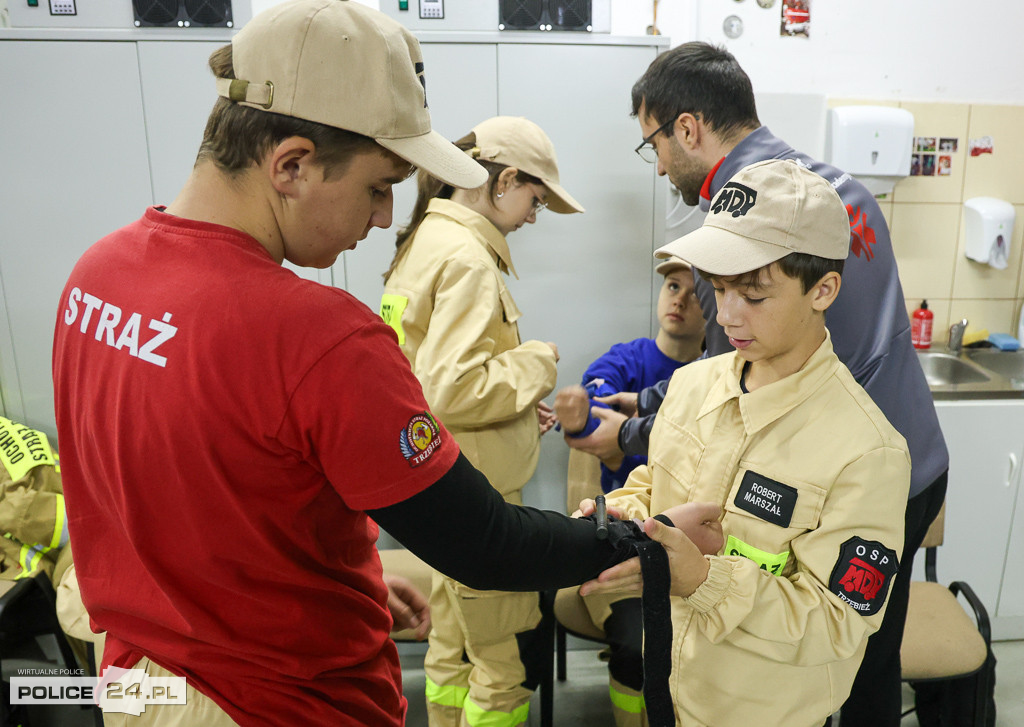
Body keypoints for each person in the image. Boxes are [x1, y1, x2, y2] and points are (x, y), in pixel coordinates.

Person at [49, 3, 688, 725]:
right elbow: (486, 544)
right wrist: (639, 532)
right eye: (378, 186)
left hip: (138, 685)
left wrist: (322, 579)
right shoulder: (314, 336)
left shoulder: (96, 278)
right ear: (290, 164)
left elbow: (179, 493)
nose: (386, 217)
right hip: (276, 702)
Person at [566, 41, 949, 726]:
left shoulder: (865, 449)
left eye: (753, 292)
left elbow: (835, 620)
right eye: (715, 287)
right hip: (690, 682)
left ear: (688, 127)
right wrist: (629, 507)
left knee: (864, 673)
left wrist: (706, 574)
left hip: (853, 478)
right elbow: (700, 421)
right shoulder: (825, 195)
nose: (728, 312)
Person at [380, 115, 584, 727]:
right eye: (534, 199)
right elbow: (455, 387)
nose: (531, 216)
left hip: (440, 485)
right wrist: (537, 364)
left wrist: (518, 404)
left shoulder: (425, 241)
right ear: (506, 180)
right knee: (501, 669)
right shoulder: (469, 258)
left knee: (449, 649)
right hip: (481, 499)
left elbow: (422, 376)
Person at [554, 256, 703, 495]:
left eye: (696, 293)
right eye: (673, 286)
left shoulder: (719, 372)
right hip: (622, 509)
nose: (679, 301)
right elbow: (597, 404)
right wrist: (580, 417)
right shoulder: (625, 359)